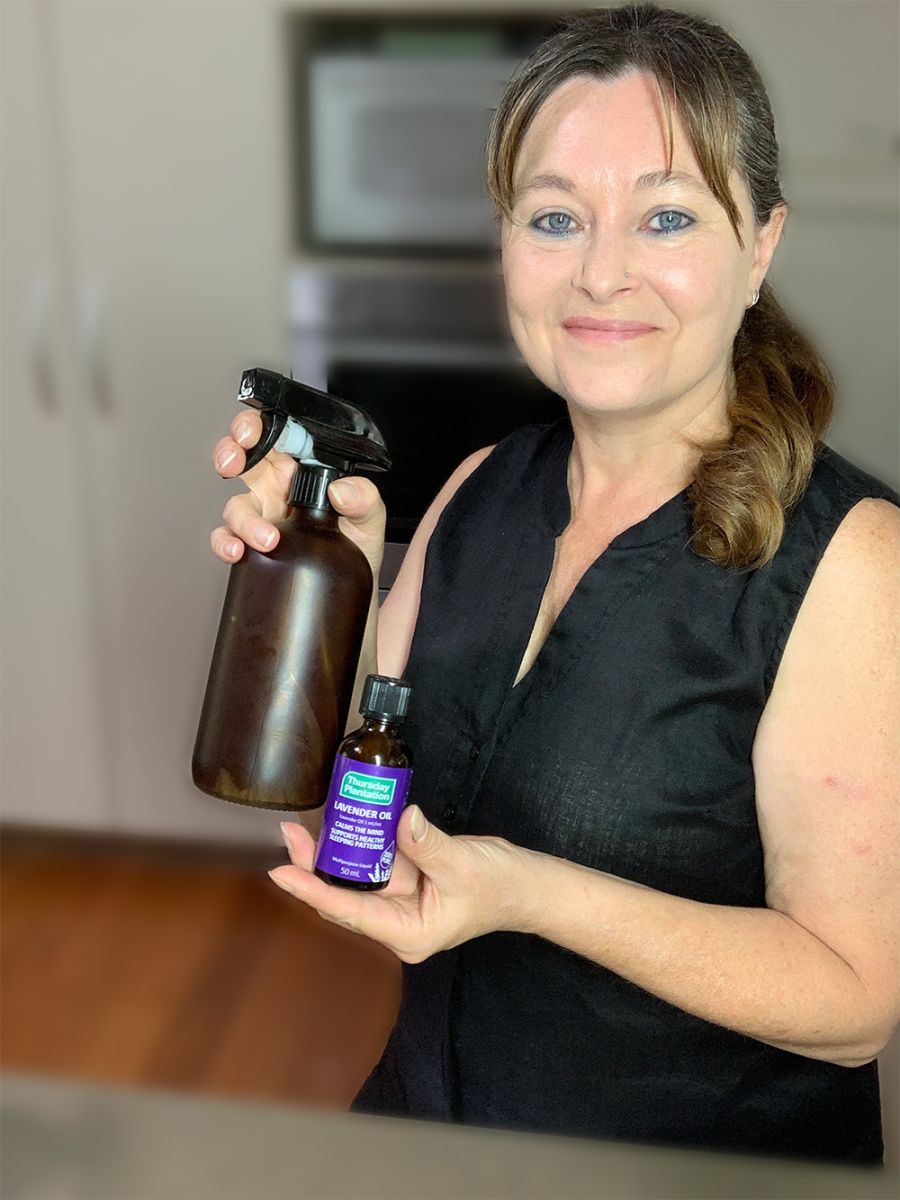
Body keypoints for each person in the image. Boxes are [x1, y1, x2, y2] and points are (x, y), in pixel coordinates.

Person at [210, 3, 899, 1166]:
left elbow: (854, 1003)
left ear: (761, 249)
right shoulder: (480, 489)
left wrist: (527, 894)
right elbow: (356, 823)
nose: (601, 272)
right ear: (506, 244)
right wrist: (331, 578)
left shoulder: (853, 561)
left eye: (666, 217)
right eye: (554, 217)